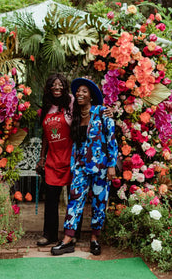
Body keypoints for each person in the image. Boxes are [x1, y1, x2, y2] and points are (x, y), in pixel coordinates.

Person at [51, 77, 118, 256]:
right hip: (80, 166)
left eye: (84, 92)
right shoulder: (75, 116)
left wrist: (111, 165)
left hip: (101, 167)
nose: (79, 94)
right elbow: (76, 144)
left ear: (91, 97)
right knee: (75, 200)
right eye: (78, 91)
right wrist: (73, 165)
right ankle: (68, 239)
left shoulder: (102, 112)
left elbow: (111, 139)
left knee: (99, 202)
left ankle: (95, 238)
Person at [35, 73, 74, 246]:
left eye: (60, 85)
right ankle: (49, 235)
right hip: (52, 159)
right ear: (49, 88)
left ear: (65, 88)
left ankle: (71, 234)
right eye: (54, 85)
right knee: (51, 199)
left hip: (71, 157)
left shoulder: (71, 103)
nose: (57, 88)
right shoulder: (46, 107)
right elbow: (45, 136)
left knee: (74, 199)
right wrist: (42, 157)